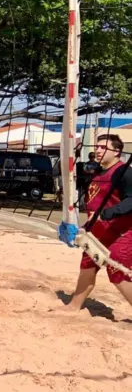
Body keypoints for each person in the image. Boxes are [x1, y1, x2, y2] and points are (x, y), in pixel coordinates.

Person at [61, 134, 132, 312]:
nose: (98, 151)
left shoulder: (124, 173)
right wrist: (83, 228)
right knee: (87, 266)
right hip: (98, 232)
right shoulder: (99, 172)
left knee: (117, 272)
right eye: (97, 147)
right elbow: (96, 202)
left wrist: (106, 213)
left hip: (121, 231)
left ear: (117, 151)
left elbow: (131, 201)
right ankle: (74, 306)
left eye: (103, 148)